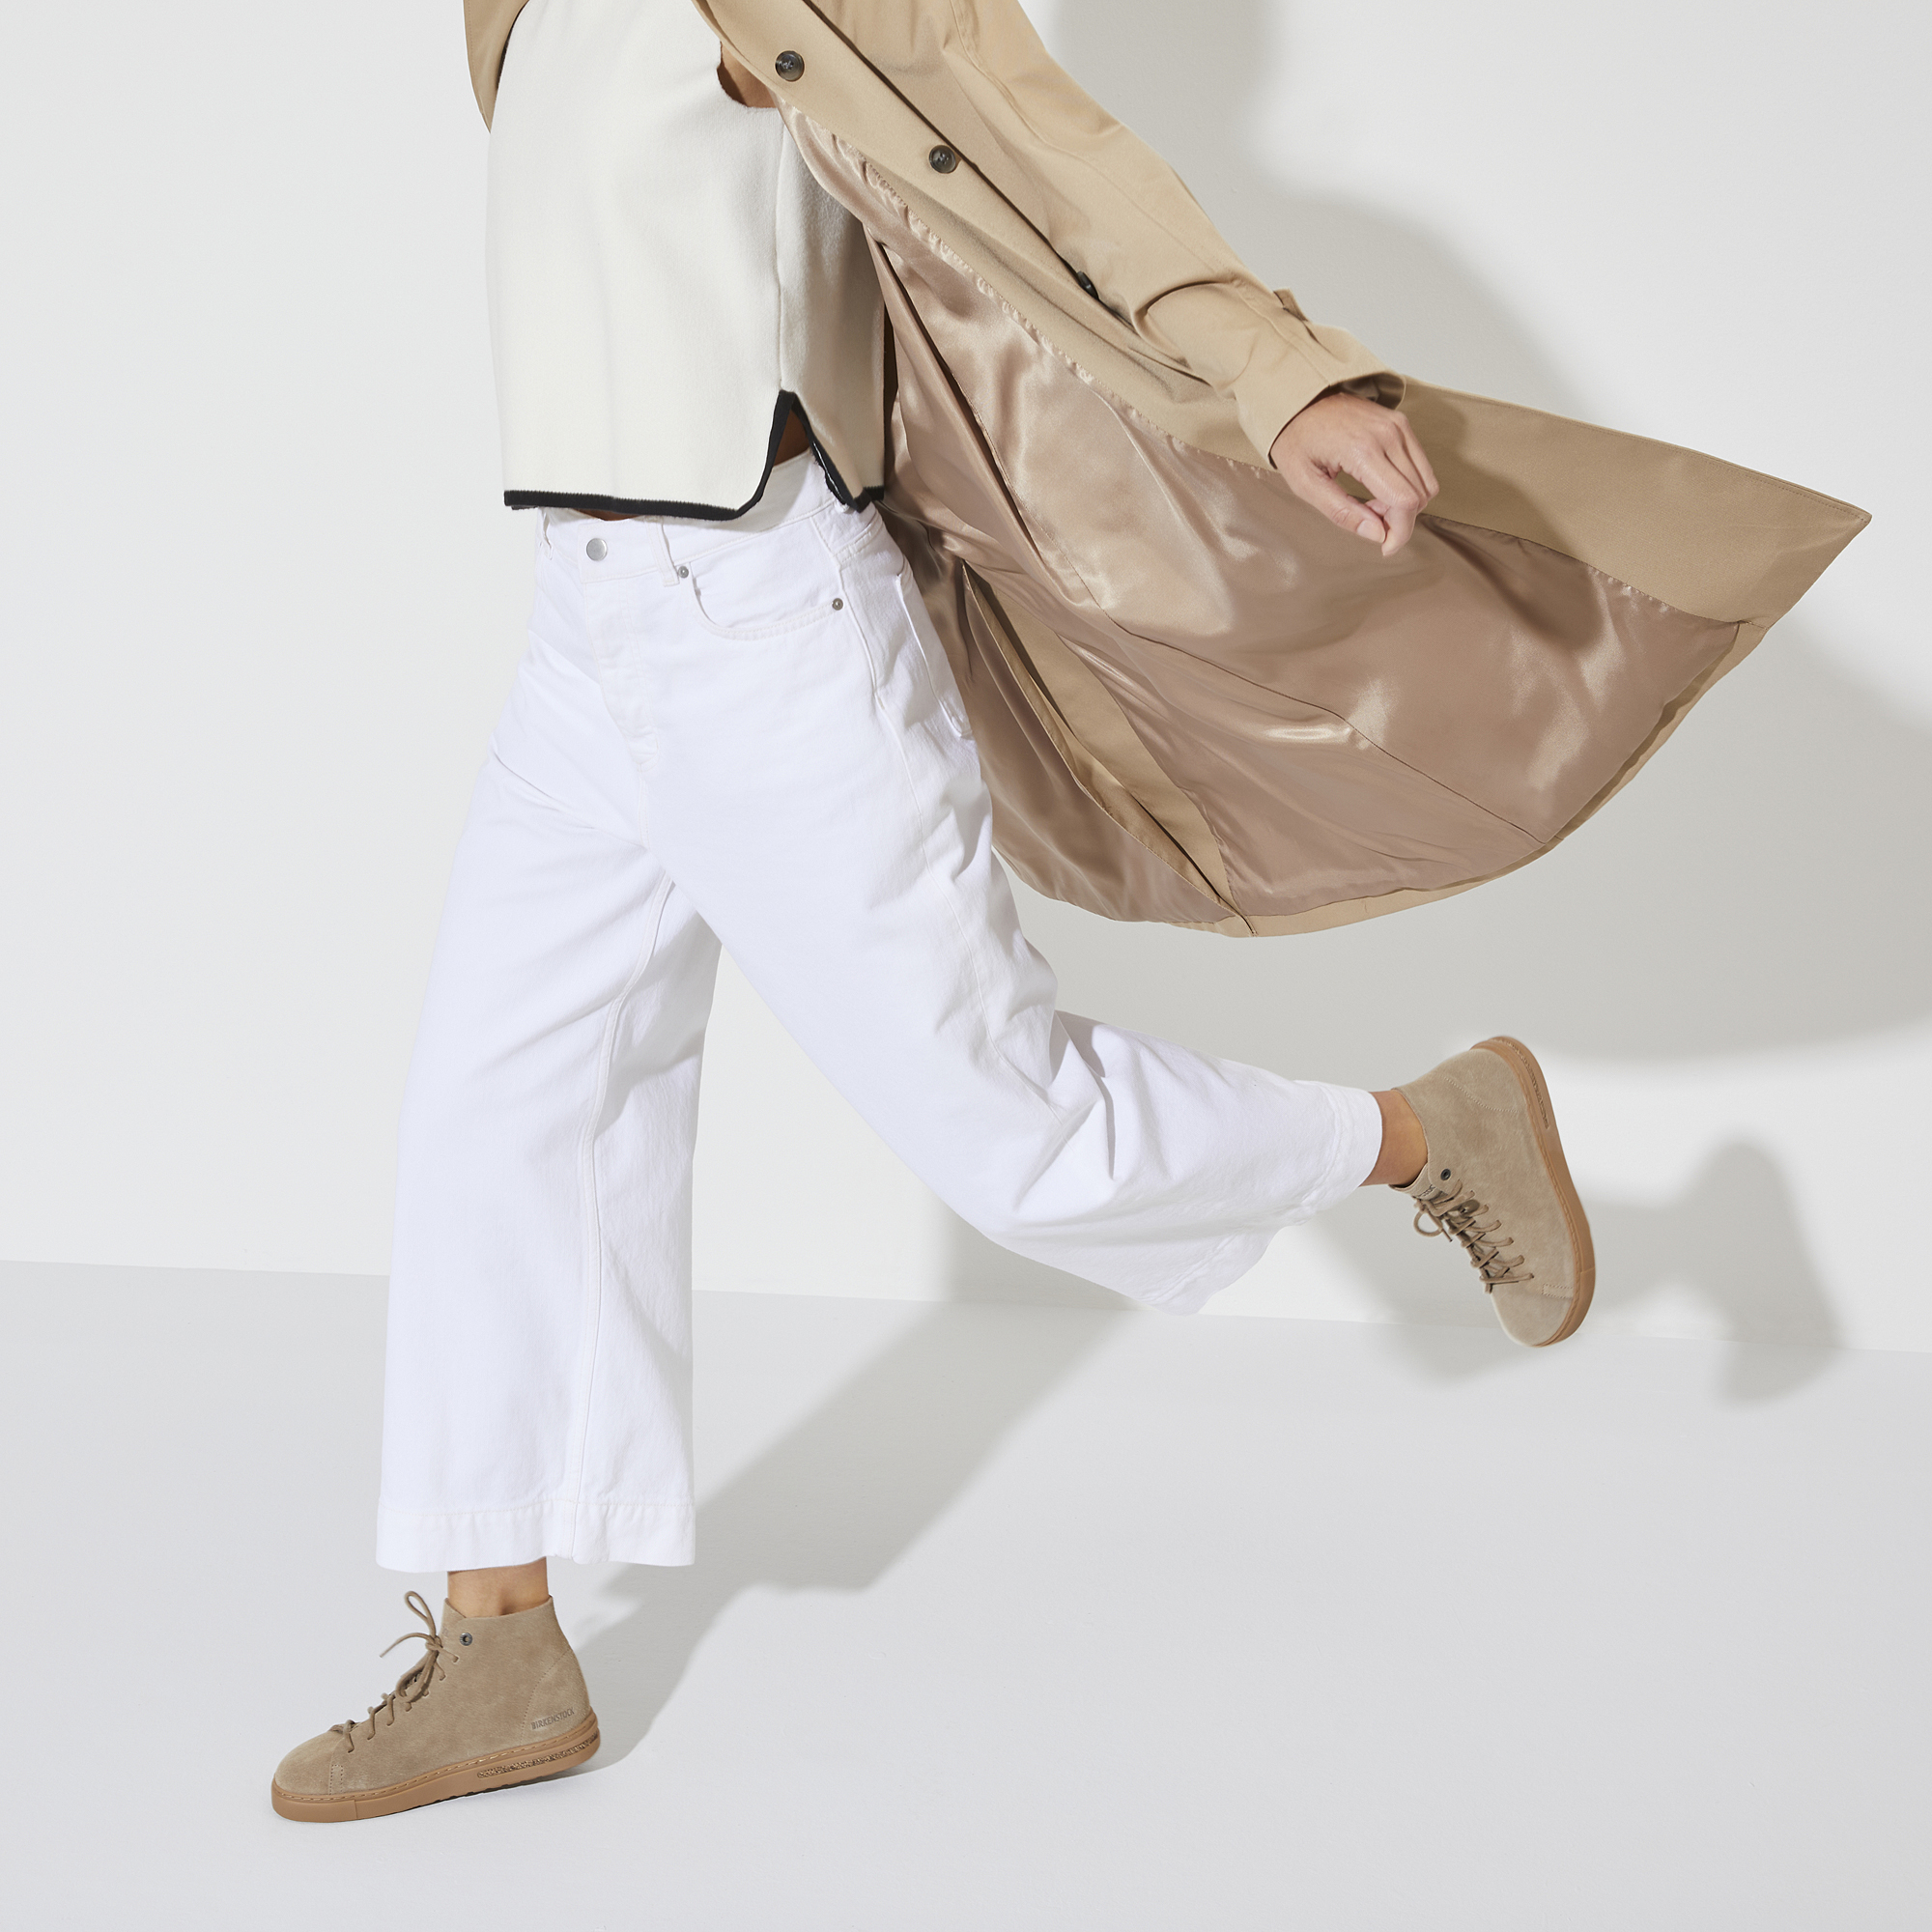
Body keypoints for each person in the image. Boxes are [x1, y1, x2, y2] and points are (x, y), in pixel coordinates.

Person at [269, 0, 1863, 1821]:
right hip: (588, 625)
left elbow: (1049, 147)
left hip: (762, 625)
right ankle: (500, 1639)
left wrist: (1280, 373)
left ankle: (1430, 1133)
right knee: (504, 1109)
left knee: (1013, 1135)